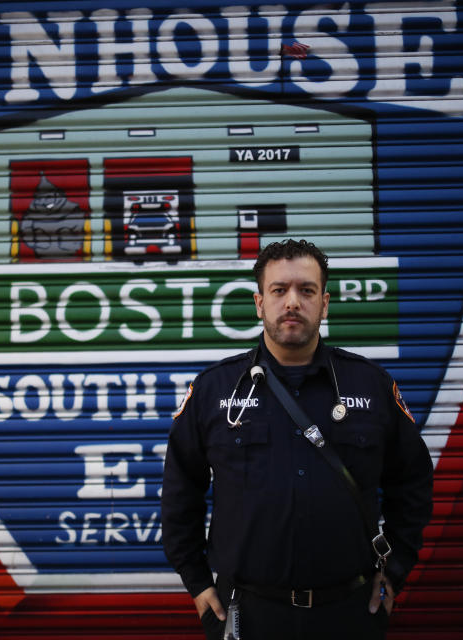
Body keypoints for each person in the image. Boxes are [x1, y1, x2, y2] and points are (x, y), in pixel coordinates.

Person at [161, 239, 433, 640]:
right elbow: (179, 492)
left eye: (306, 291)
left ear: (324, 304)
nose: (292, 302)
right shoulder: (214, 390)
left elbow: (412, 483)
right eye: (279, 290)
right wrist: (198, 582)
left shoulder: (371, 386)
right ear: (259, 303)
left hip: (350, 611)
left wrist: (394, 571)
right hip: (246, 613)